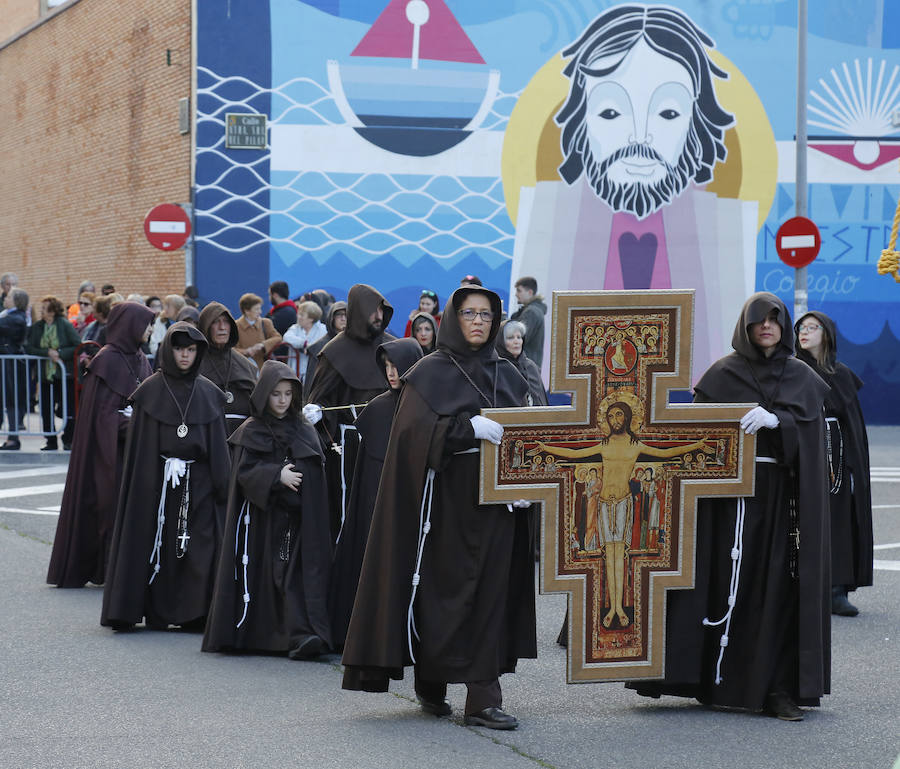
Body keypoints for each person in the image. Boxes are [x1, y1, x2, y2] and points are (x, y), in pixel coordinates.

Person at [626, 292, 830, 722]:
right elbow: (693, 433)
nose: (768, 326)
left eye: (776, 319)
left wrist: (783, 423)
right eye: (759, 320)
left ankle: (776, 688)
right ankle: (708, 678)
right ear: (746, 326)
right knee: (719, 581)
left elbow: (814, 442)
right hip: (723, 501)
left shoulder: (801, 376)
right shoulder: (723, 373)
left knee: (774, 588)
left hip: (777, 501)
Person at [342, 286, 535, 731]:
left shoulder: (509, 375)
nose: (479, 321)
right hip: (445, 509)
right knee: (443, 593)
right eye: (470, 312)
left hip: (498, 508)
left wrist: (527, 484)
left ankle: (483, 697)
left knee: (490, 594)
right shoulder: (428, 373)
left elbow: (527, 439)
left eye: (487, 314)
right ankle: (432, 681)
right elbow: (411, 439)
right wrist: (466, 430)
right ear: (454, 316)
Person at [101, 322, 230, 631]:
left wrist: (223, 485)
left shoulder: (209, 393)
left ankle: (194, 612)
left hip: (197, 483)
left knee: (198, 547)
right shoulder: (150, 391)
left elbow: (216, 445)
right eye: (179, 349)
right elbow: (141, 448)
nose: (184, 355)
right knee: (158, 545)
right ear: (168, 350)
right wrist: (144, 488)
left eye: (191, 349)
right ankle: (156, 610)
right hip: (157, 482)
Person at [202, 360, 332, 659]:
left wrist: (299, 475)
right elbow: (244, 473)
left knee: (291, 577)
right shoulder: (252, 430)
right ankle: (260, 635)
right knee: (266, 575)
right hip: (260, 521)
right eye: (276, 394)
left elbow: (314, 470)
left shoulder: (304, 429)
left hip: (295, 522)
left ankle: (300, 635)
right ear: (264, 394)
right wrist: (277, 475)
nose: (283, 400)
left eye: (288, 394)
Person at [46, 302, 156, 588]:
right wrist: (132, 423)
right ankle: (103, 569)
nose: (150, 330)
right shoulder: (107, 360)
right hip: (106, 453)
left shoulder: (140, 358)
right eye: (146, 324)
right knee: (106, 506)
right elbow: (102, 417)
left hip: (133, 450)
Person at [328, 337, 423, 650]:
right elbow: (364, 471)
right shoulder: (377, 408)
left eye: (397, 365)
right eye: (387, 366)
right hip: (376, 500)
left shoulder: (425, 407)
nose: (392, 372)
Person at [795, 311, 873, 617]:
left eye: (812, 328)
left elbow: (853, 426)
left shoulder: (840, 374)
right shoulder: (790, 371)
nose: (804, 332)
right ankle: (800, 590)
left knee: (838, 518)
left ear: (825, 334)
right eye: (801, 327)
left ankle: (837, 590)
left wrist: (853, 467)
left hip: (836, 461)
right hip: (800, 453)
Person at [304, 284, 395, 541]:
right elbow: (320, 398)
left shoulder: (392, 347)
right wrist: (319, 412)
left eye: (381, 310)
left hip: (388, 441)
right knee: (350, 511)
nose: (378, 316)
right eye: (372, 310)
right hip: (349, 447)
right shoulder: (335, 352)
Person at [25, 295, 80, 450]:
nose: (42, 310)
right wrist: (46, 352)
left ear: (53, 311)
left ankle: (68, 439)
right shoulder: (38, 327)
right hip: (45, 375)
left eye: (45, 308)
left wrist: (60, 353)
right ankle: (50, 440)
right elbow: (29, 347)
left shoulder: (64, 324)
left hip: (64, 375)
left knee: (68, 408)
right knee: (46, 409)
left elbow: (77, 345)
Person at [197, 301, 258, 436]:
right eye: (215, 322)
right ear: (205, 327)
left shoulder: (247, 366)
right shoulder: (194, 364)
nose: (222, 327)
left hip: (242, 439)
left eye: (226, 322)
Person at [0, 288, 29, 450]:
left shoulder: (16, 318)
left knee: (11, 401)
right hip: (5, 363)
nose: (5, 297)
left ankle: (13, 437)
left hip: (10, 365)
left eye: (9, 296)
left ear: (17, 301)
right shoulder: (6, 315)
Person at [302, 300, 346, 402]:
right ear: (332, 318)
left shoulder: (355, 344)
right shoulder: (319, 346)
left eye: (346, 315)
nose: (343, 319)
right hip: (325, 399)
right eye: (339, 315)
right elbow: (311, 381)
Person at [496, 320, 547, 407]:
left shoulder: (531, 366)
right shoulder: (497, 367)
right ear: (501, 342)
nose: (516, 342)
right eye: (510, 338)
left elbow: (541, 400)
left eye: (519, 337)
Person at [234, 292, 283, 370]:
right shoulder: (236, 326)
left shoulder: (266, 323)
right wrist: (246, 351)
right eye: (257, 309)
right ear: (247, 311)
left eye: (260, 308)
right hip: (243, 369)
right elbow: (231, 349)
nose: (260, 312)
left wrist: (263, 345)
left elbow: (278, 337)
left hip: (264, 369)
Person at [283, 300, 328, 381]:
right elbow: (286, 338)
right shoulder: (295, 328)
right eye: (298, 314)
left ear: (311, 318)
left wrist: (311, 349)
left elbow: (323, 346)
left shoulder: (323, 330)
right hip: (296, 372)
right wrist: (304, 343)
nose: (298, 317)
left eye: (302, 315)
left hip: (315, 372)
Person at [508, 277, 546, 367]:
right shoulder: (533, 310)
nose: (516, 294)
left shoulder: (531, 312)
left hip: (525, 368)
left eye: (519, 291)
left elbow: (520, 338)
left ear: (530, 292)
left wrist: (503, 322)